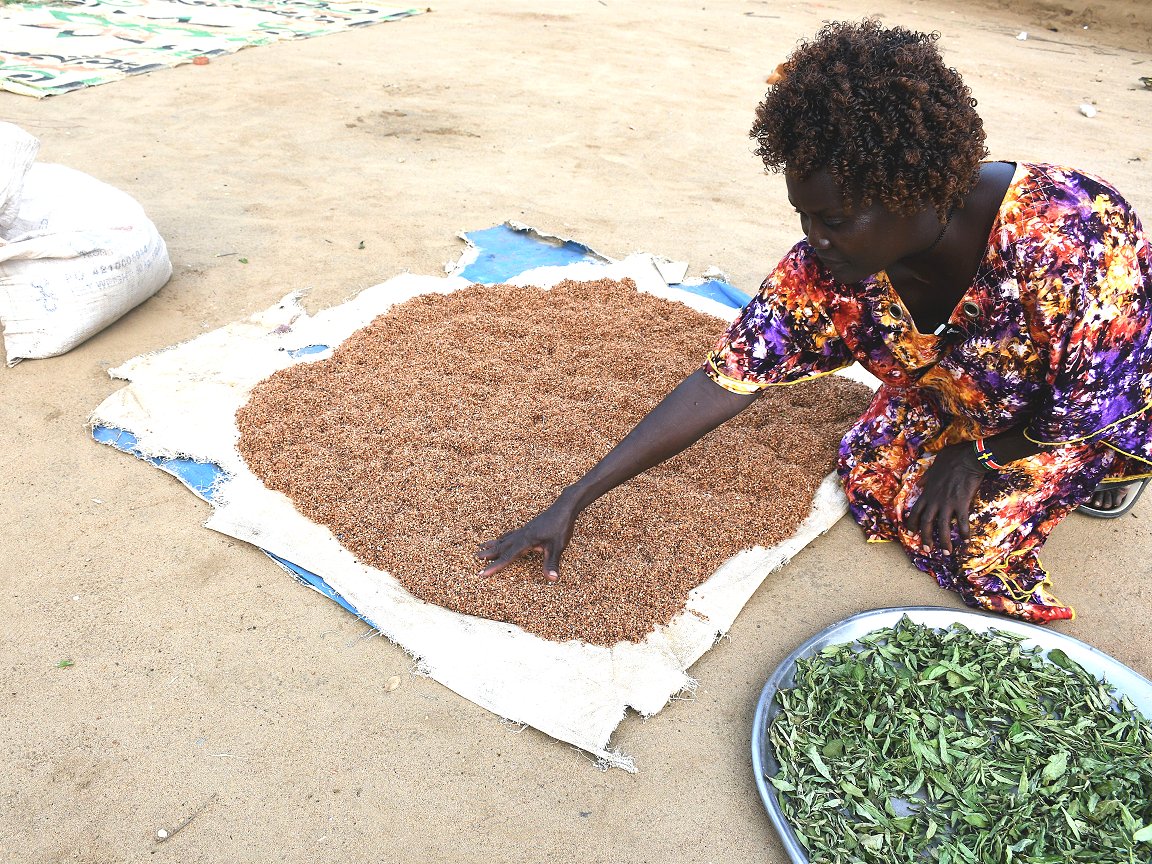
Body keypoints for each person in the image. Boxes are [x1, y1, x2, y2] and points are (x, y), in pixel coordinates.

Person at [477, 19, 1152, 624]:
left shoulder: (1072, 239)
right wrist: (574, 498)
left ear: (912, 192)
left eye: (831, 219)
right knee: (870, 475)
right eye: (804, 214)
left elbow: (1103, 391)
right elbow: (725, 379)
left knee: (966, 543)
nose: (813, 238)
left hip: (1081, 410)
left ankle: (1112, 475)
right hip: (958, 397)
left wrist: (977, 457)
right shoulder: (829, 272)